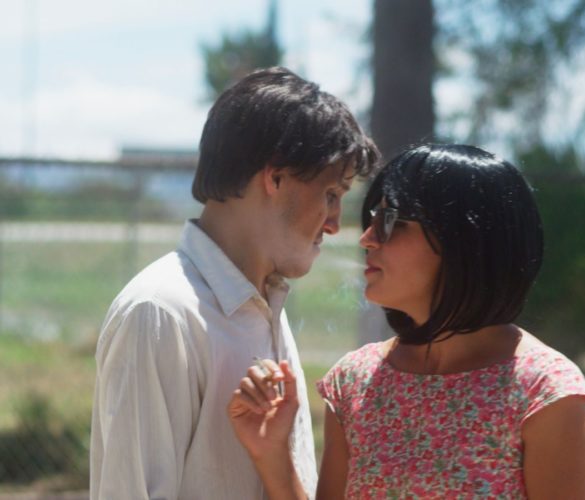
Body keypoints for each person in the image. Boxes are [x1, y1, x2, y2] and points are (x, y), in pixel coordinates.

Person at [228, 144, 585, 499]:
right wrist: (272, 453)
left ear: (464, 240)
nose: (368, 239)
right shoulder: (354, 382)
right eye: (372, 220)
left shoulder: (544, 393)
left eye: (391, 221)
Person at [89, 66, 379, 499]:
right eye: (331, 194)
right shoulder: (161, 313)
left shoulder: (263, 306)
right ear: (275, 177)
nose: (335, 223)